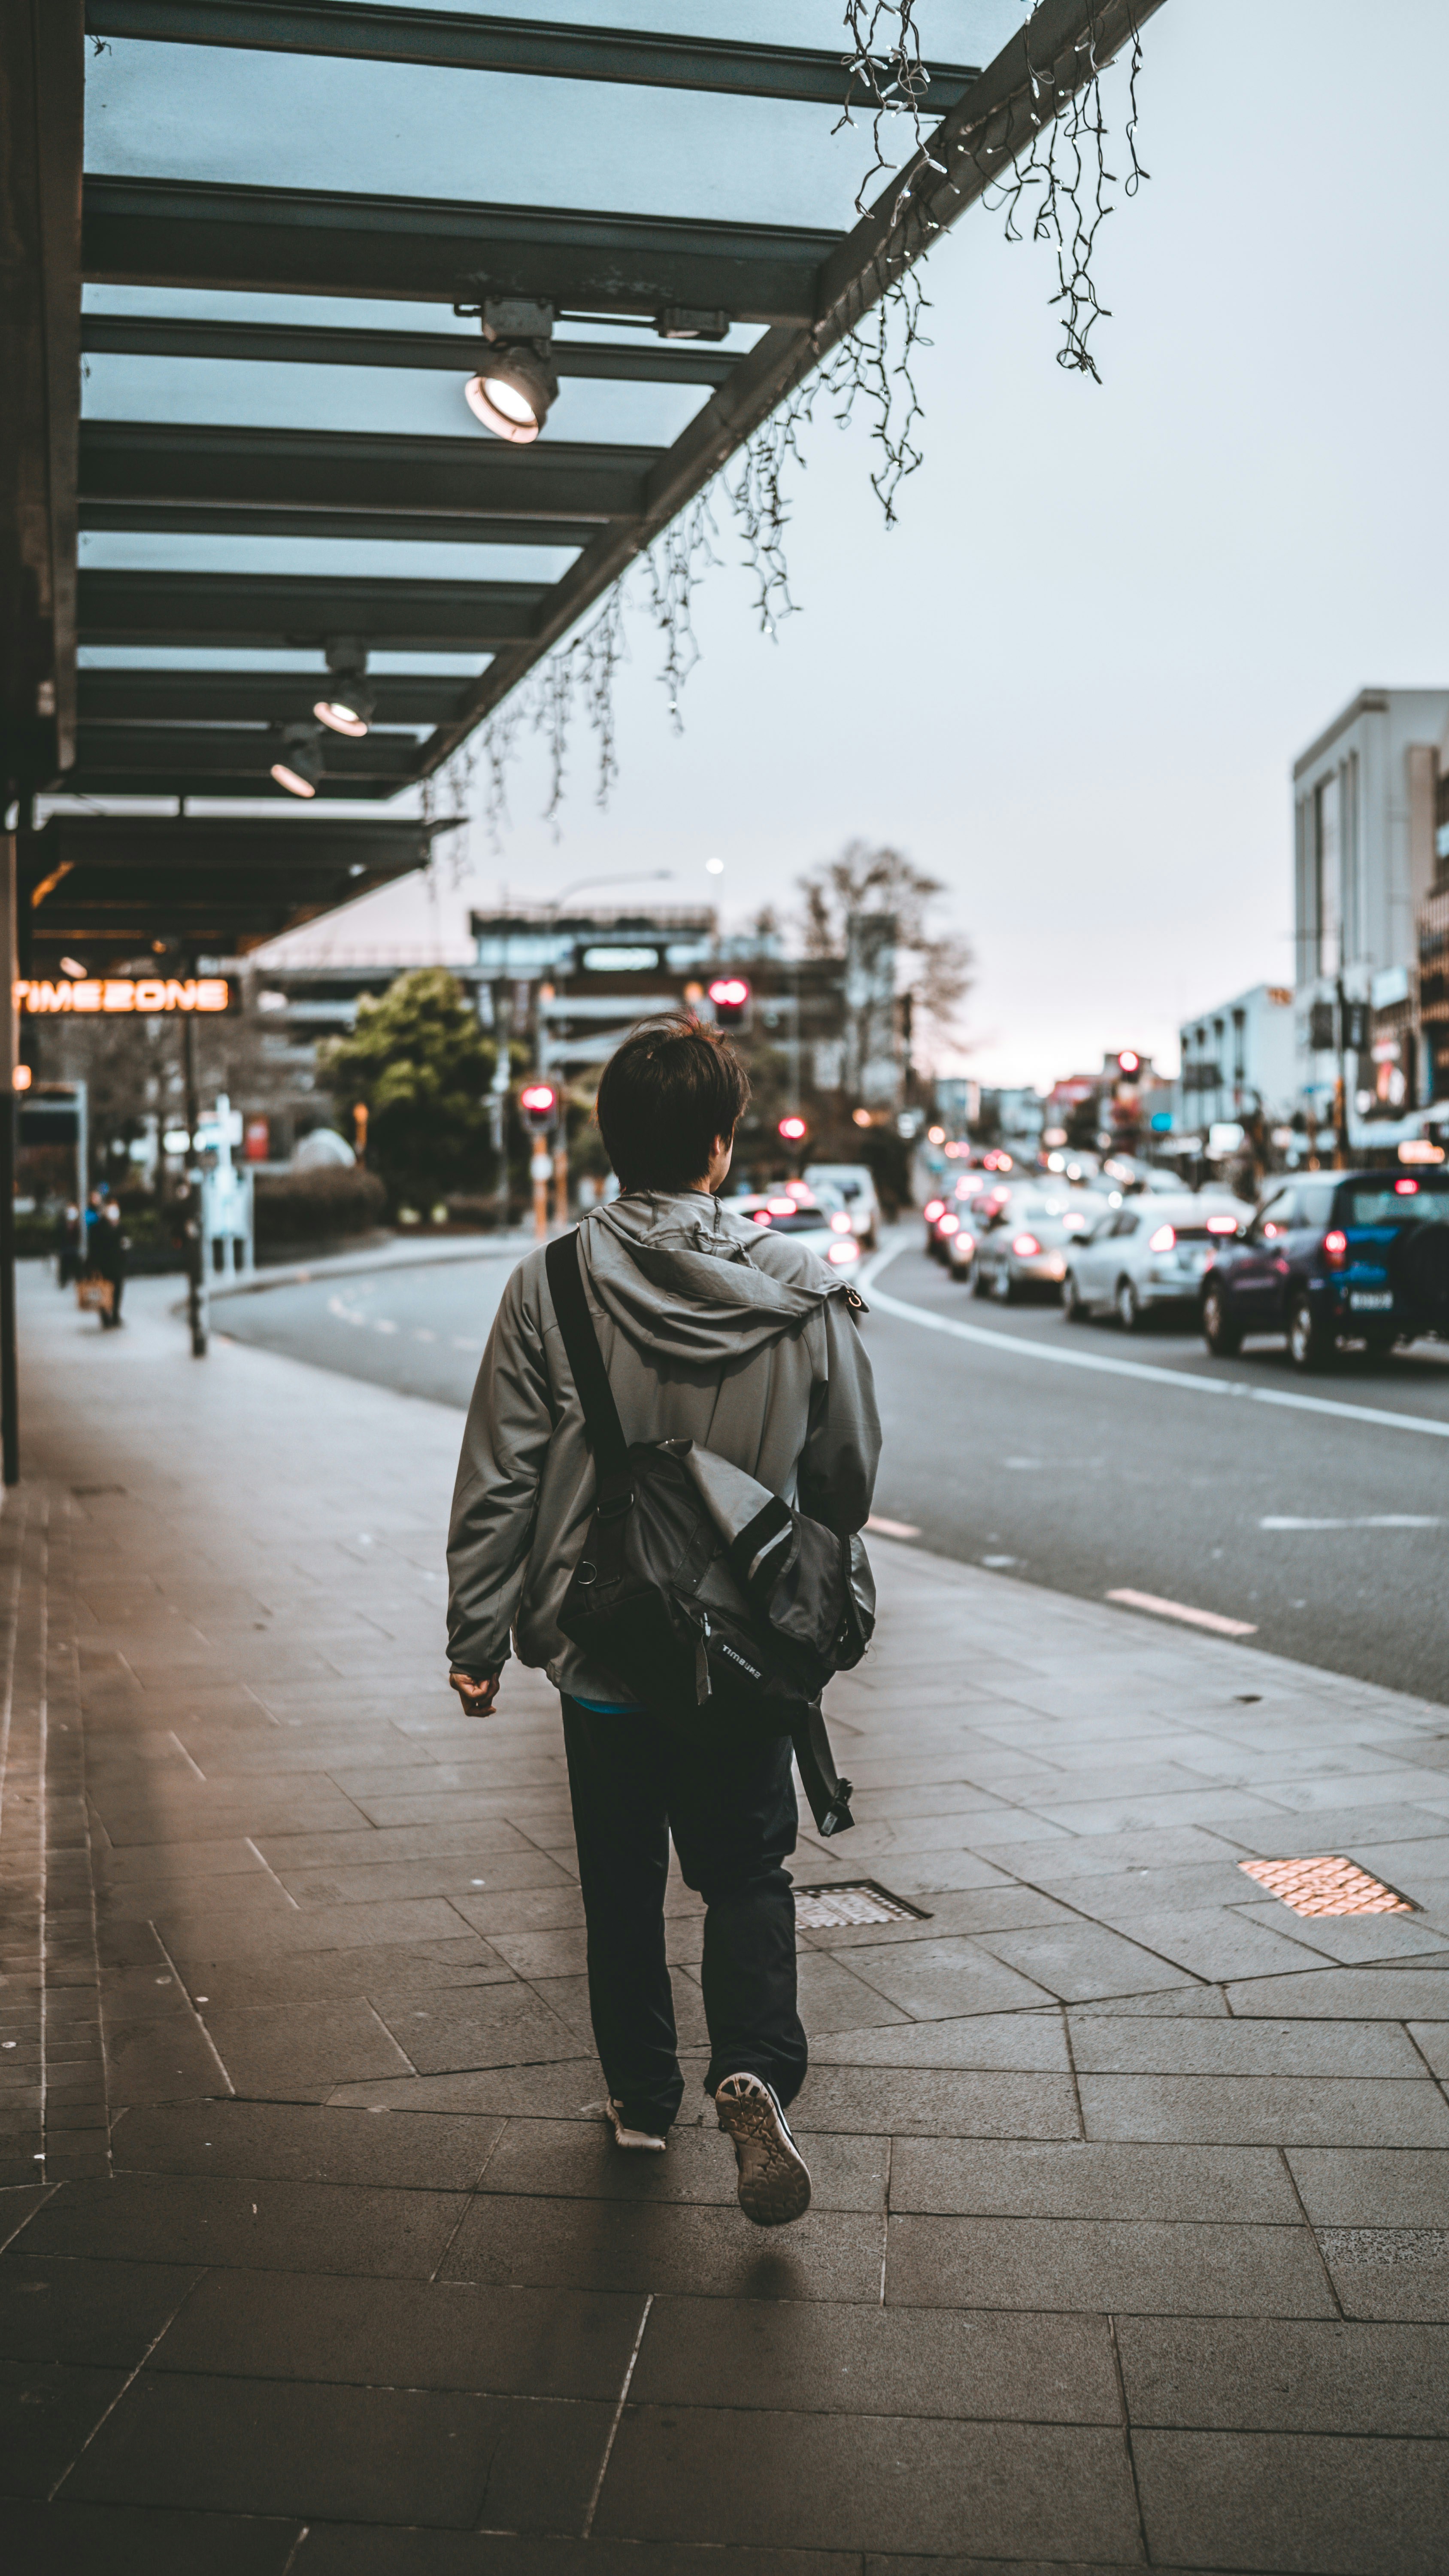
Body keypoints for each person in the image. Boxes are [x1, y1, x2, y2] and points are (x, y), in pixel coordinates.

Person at [446, 1020, 880, 2225]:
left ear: (606, 1142)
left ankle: (641, 2104)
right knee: (748, 1868)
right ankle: (756, 2068)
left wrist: (475, 1641)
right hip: (745, 1649)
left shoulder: (550, 1281)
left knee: (620, 1882)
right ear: (722, 1144)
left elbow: (501, 1480)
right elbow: (846, 1478)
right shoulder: (803, 1286)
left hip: (605, 1642)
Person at [88, 1197, 128, 1329]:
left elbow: (125, 1245)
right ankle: (106, 1316)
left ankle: (115, 1315)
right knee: (103, 1290)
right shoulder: (98, 1228)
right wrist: (93, 1266)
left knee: (117, 1290)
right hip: (103, 1265)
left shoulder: (121, 1227)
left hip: (117, 1265)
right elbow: (94, 1248)